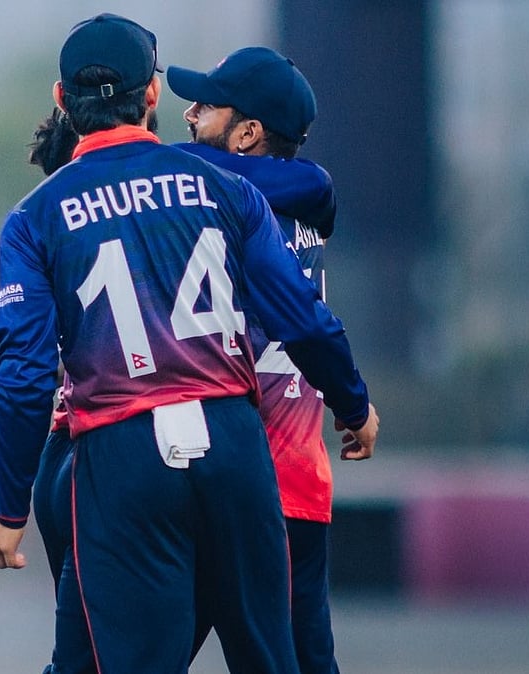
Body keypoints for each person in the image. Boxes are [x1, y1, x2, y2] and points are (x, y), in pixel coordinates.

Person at [0, 13, 379, 674]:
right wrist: (354, 403)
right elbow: (304, 320)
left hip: (120, 451)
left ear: (60, 100)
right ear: (153, 96)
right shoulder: (229, 188)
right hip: (238, 448)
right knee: (280, 661)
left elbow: (23, 373)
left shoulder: (35, 216)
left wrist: (7, 504)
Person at [167, 46, 356, 674]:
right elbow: (308, 181)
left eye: (207, 105)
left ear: (247, 132)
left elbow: (162, 164)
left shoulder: (210, 197)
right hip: (297, 482)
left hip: (223, 477)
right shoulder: (308, 195)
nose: (189, 114)